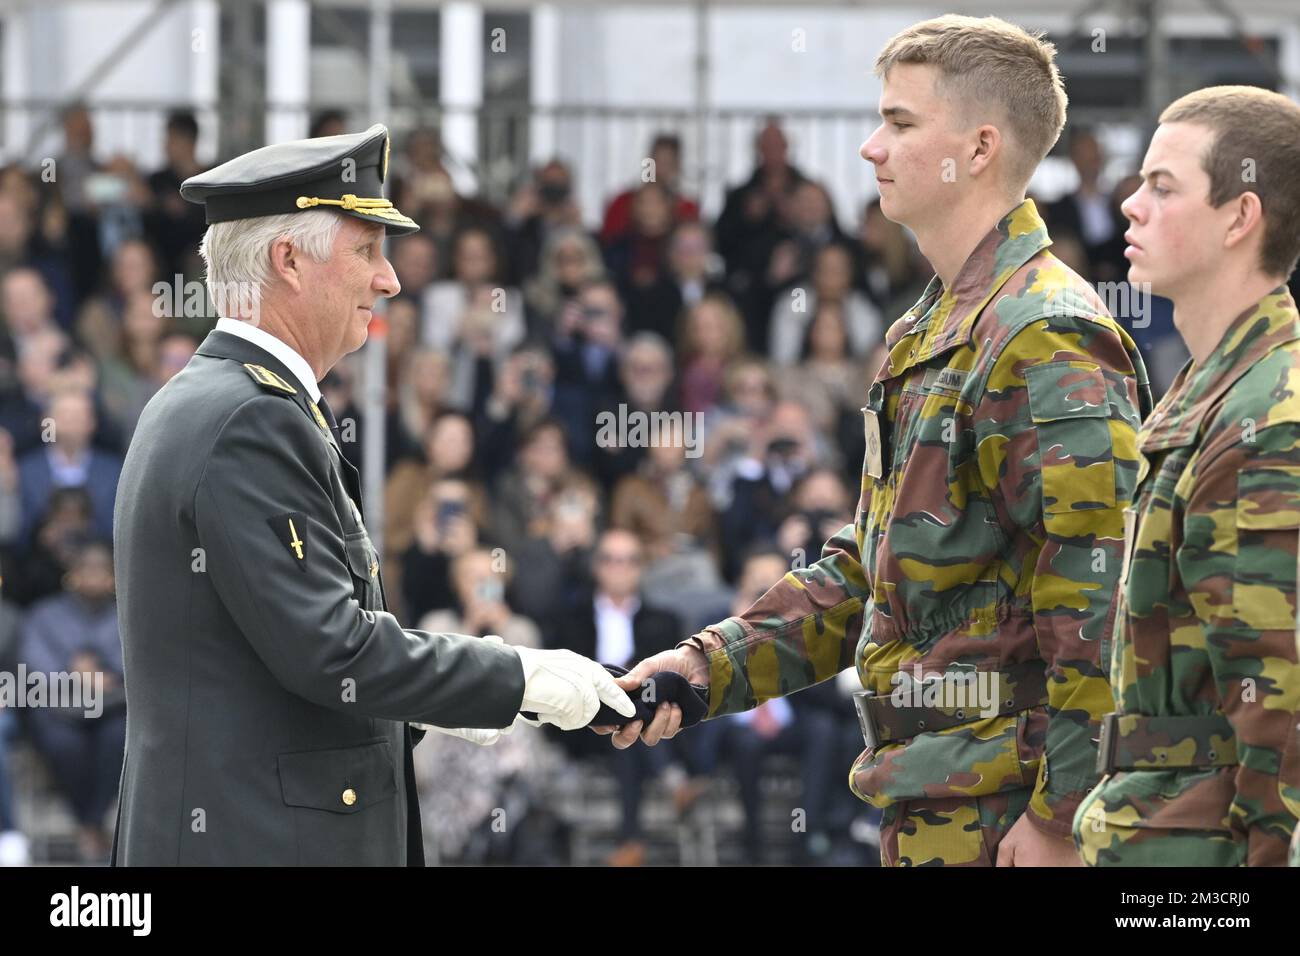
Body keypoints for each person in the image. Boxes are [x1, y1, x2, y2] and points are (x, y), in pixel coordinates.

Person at [599, 15, 1151, 868]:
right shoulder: (931, 329)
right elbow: (874, 567)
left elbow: (1101, 595)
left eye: (899, 123)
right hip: (934, 792)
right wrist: (707, 666)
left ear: (978, 148)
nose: (869, 148)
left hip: (1011, 813)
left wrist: (1065, 815)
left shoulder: (1043, 333)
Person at [111, 124, 633, 866]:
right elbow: (331, 652)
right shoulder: (249, 417)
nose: (388, 281)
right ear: (288, 261)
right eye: (366, 252)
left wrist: (450, 705)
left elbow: (282, 663)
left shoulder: (232, 402)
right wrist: (513, 676)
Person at [1073, 86, 1300, 866]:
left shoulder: (1269, 417)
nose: (1132, 206)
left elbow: (1279, 705)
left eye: (1163, 187)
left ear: (1239, 218)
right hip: (1159, 839)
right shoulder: (1212, 392)